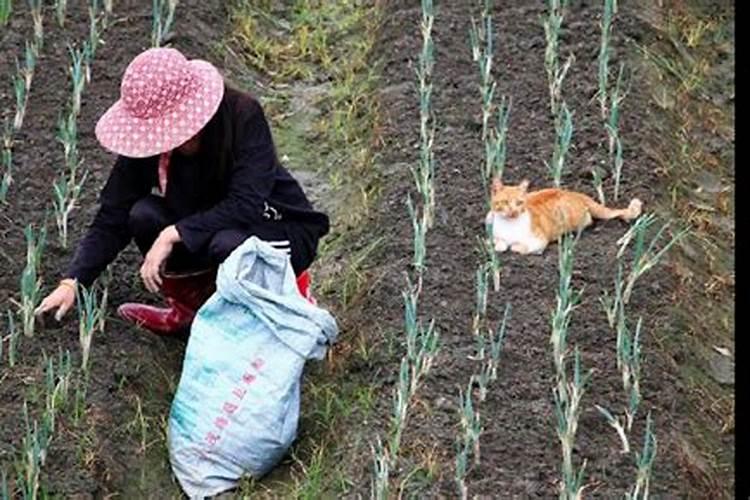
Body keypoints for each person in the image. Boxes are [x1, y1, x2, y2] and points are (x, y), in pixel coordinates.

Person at [35, 47, 330, 335]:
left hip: (278, 228)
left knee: (227, 245)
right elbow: (114, 214)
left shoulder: (241, 115)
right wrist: (73, 281)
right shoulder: (150, 142)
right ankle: (192, 310)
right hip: (211, 226)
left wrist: (173, 233)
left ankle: (281, 310)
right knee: (143, 214)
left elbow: (246, 203)